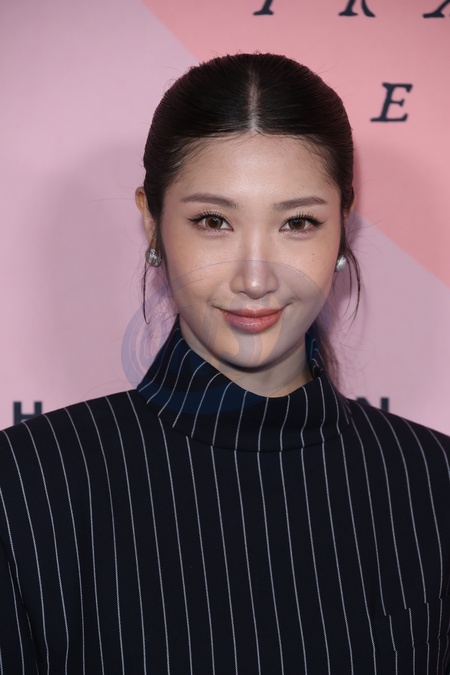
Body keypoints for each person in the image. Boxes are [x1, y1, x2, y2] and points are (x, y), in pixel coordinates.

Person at [0, 53, 449, 675]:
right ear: (152, 222)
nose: (256, 279)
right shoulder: (27, 483)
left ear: (342, 226)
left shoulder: (432, 481)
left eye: (298, 222)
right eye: (213, 221)